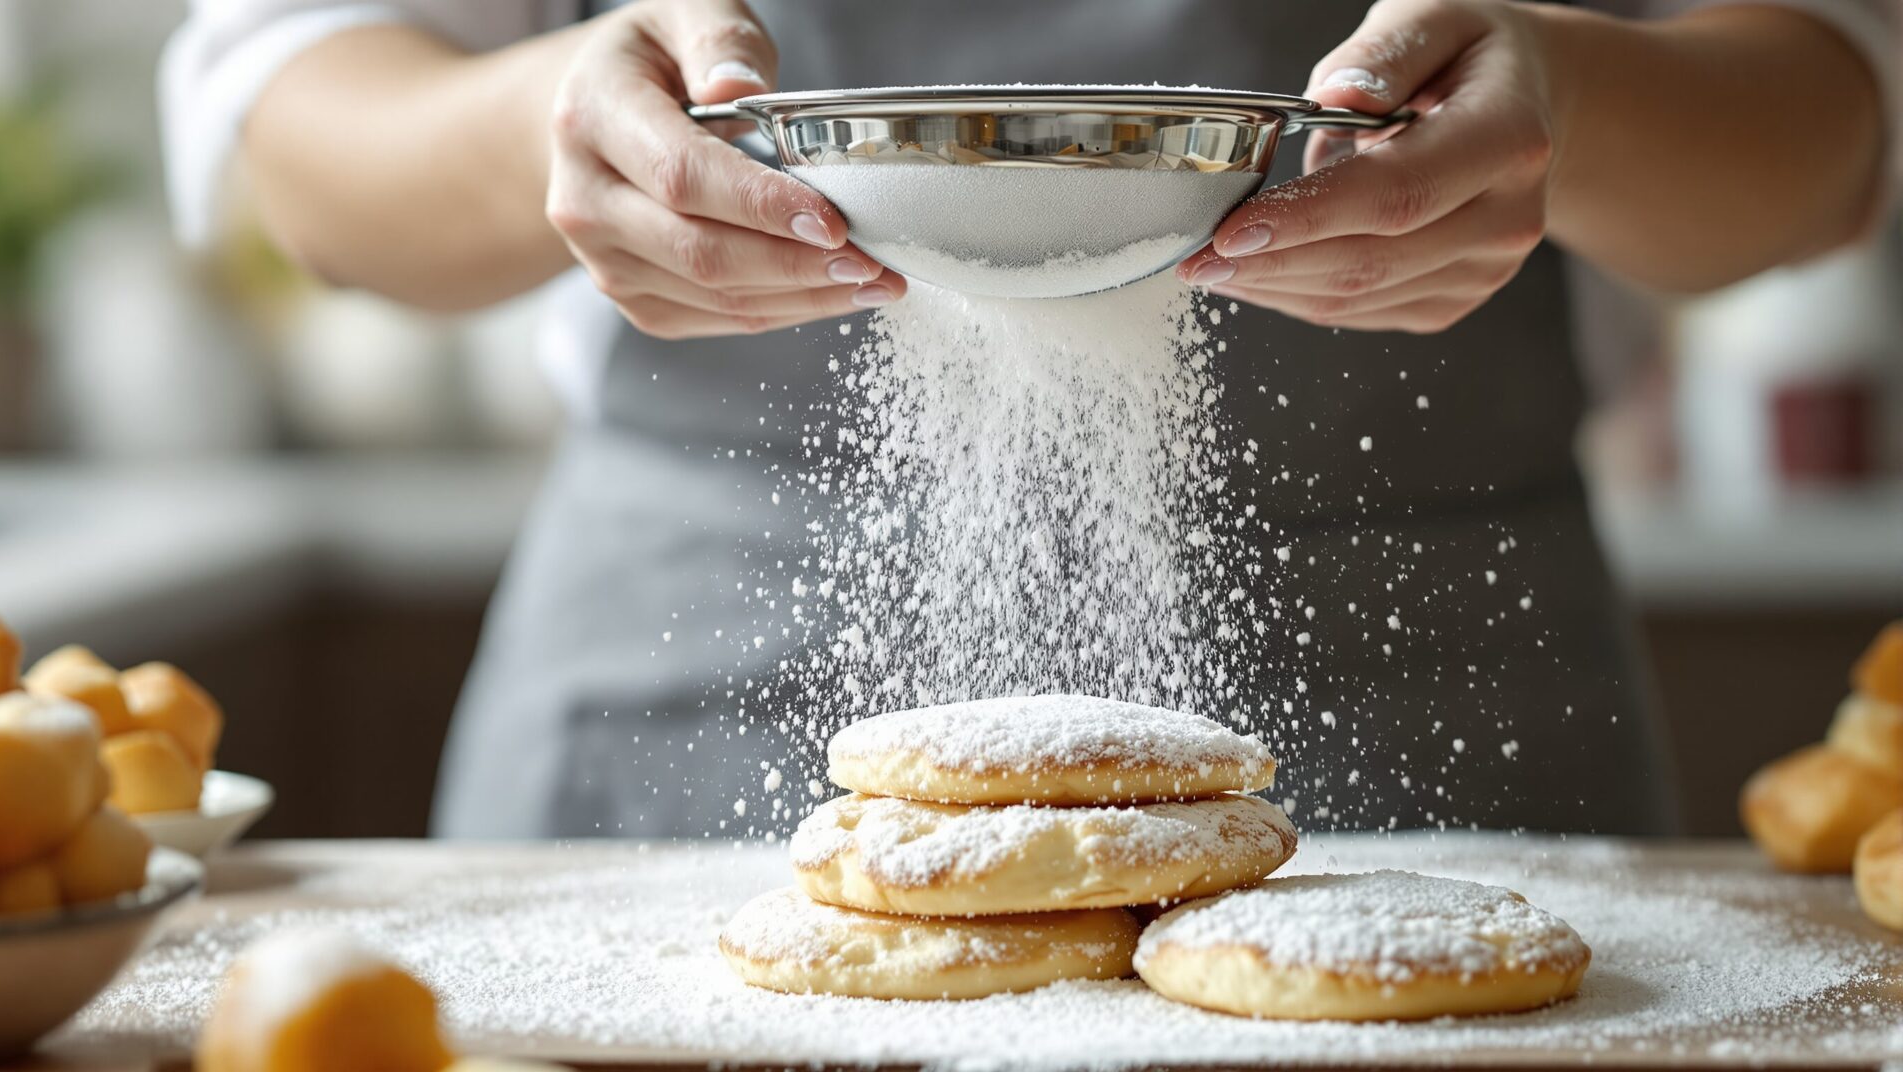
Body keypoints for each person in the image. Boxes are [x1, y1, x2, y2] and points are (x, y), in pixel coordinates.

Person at [161, 0, 1895, 839]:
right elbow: (305, 135)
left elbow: (1833, 126)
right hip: (692, 723)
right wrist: (560, 116)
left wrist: (1572, 102)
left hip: (1431, 730)